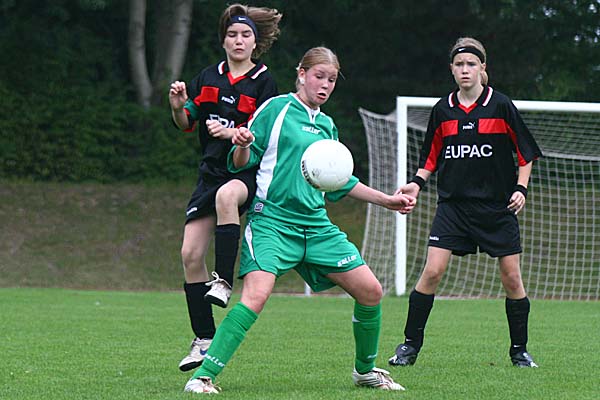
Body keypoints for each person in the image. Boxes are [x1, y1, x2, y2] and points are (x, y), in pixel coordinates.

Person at [183, 46, 416, 394]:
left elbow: (340, 183)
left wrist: (387, 201)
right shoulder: (276, 109)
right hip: (273, 223)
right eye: (319, 76)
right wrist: (243, 143)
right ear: (302, 74)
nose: (325, 85)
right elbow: (240, 161)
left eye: (332, 80)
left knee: (370, 291)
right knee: (256, 296)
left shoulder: (327, 126)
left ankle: (365, 372)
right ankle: (202, 377)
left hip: (316, 226)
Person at [388, 37, 542, 369]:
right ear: (451, 69)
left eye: (471, 64)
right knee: (432, 272)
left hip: (496, 208)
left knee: (512, 278)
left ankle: (519, 351)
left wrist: (521, 188)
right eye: (459, 64)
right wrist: (416, 184)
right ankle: (409, 347)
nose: (465, 70)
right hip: (453, 207)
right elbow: (431, 156)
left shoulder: (500, 105)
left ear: (482, 67)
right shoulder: (443, 110)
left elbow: (526, 153)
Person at [168, 3, 282, 373]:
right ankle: (203, 339)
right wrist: (177, 106)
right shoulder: (207, 77)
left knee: (227, 196)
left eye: (246, 34)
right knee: (189, 255)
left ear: (255, 42)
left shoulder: (264, 82)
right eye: (232, 34)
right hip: (210, 173)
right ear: (223, 41)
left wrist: (235, 134)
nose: (239, 40)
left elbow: (265, 135)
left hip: (245, 171)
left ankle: (223, 281)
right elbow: (186, 123)